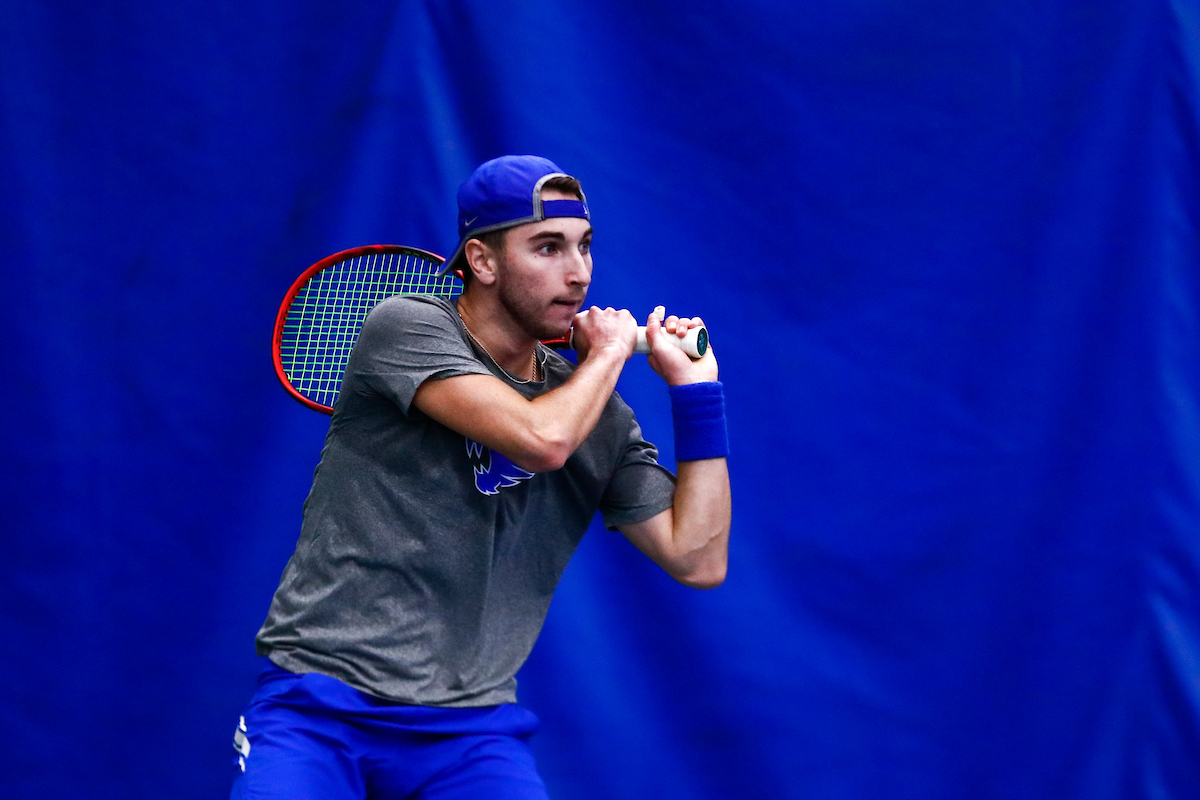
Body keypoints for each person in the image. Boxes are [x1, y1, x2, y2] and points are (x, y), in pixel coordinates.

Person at [230, 155, 732, 799]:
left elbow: (698, 558)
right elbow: (541, 440)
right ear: (483, 261)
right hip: (319, 707)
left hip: (469, 734)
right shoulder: (407, 327)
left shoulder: (594, 413)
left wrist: (697, 394)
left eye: (584, 247)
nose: (578, 274)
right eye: (548, 247)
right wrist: (608, 353)